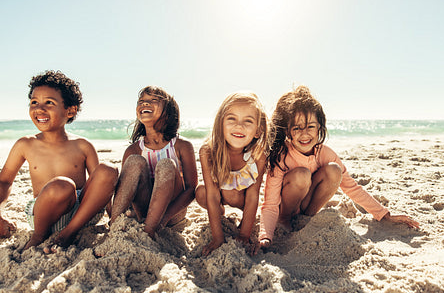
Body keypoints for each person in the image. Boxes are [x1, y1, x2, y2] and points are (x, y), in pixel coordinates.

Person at [257, 85, 419, 251]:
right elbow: (269, 204)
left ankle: (305, 219)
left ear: (320, 128)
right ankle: (285, 220)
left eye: (310, 126)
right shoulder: (281, 156)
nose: (304, 134)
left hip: (306, 206)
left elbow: (352, 187)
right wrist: (265, 236)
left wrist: (384, 214)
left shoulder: (325, 153)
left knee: (334, 170)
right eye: (297, 128)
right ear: (287, 131)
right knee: (302, 174)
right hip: (285, 207)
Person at [0, 70, 118, 252]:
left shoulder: (83, 145)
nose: (39, 108)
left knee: (108, 170)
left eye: (49, 102)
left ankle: (68, 233)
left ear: (70, 111)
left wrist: (113, 220)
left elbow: (102, 186)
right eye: (34, 102)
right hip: (45, 215)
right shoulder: (26, 144)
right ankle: (39, 236)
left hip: (82, 214)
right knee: (62, 185)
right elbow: (4, 181)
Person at [110, 86, 197, 239]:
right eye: (141, 101)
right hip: (143, 212)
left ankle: (149, 231)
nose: (145, 104)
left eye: (153, 100)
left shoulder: (181, 146)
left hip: (172, 216)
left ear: (168, 112)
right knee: (134, 162)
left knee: (166, 165)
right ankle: (114, 228)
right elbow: (126, 188)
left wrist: (163, 219)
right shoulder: (133, 150)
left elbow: (191, 190)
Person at [196, 92, 268, 256]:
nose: (239, 126)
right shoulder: (208, 152)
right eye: (232, 119)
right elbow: (212, 195)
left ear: (258, 130)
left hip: (242, 199)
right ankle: (220, 213)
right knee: (201, 192)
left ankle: (243, 221)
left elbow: (253, 195)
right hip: (220, 196)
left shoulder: (258, 156)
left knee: (232, 193)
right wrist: (217, 237)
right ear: (220, 123)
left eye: (248, 121)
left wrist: (244, 234)